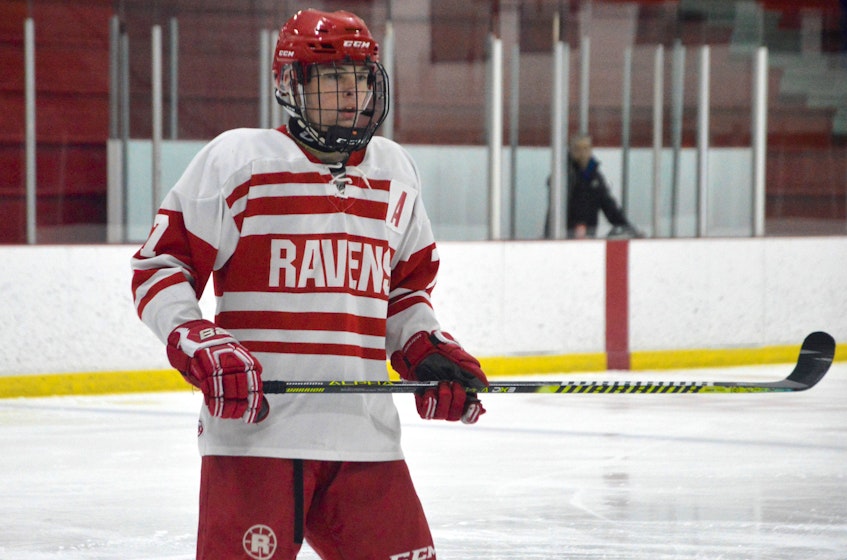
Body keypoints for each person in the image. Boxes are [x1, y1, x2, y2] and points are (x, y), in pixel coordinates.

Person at [130, 9, 488, 560]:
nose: (352, 93)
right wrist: (195, 338)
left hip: (366, 440)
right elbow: (161, 266)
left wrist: (424, 349)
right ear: (290, 85)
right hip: (255, 441)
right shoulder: (239, 161)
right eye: (333, 79)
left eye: (362, 78)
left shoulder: (395, 172)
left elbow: (404, 293)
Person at [545, 134, 641, 239]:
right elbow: (557, 210)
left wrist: (627, 227)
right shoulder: (562, 174)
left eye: (586, 148)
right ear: (571, 151)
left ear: (591, 150)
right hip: (564, 238)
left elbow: (609, 206)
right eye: (578, 149)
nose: (582, 153)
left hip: (589, 237)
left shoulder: (595, 177)